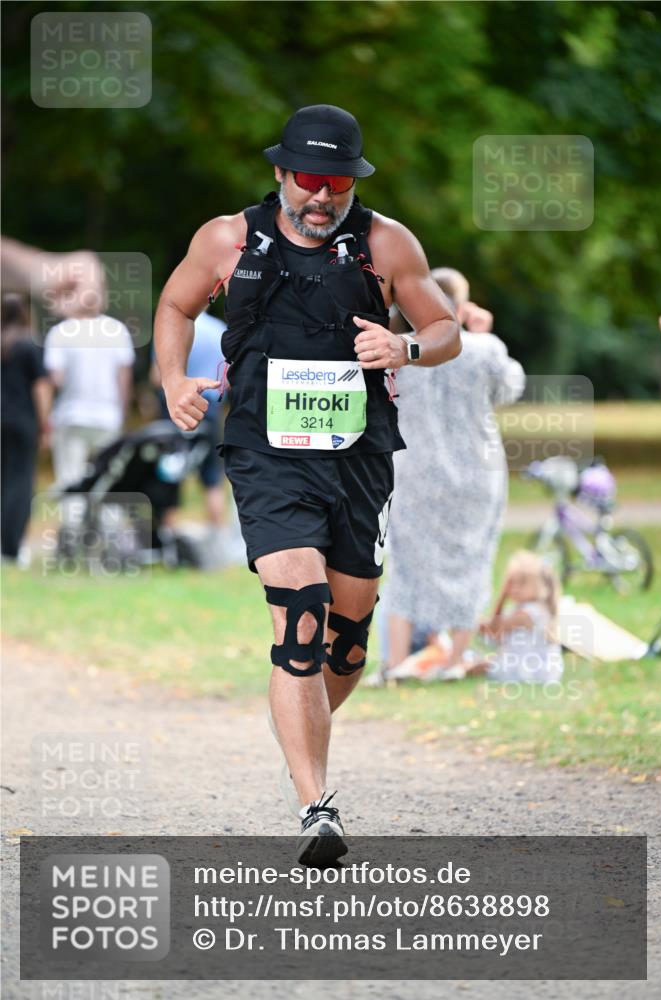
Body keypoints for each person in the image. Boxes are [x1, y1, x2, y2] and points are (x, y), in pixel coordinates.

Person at [153, 104, 461, 864]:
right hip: (264, 453)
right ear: (280, 174)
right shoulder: (228, 238)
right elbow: (174, 303)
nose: (321, 198)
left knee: (345, 644)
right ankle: (314, 804)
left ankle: (303, 722)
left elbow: (447, 329)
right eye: (307, 182)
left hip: (358, 459)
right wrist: (170, 378)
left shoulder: (386, 243)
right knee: (299, 614)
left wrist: (406, 343)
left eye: (337, 185)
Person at [382, 267, 525, 676]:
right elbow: (510, 388)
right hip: (476, 474)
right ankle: (455, 658)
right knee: (472, 559)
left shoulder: (399, 350)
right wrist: (481, 332)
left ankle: (395, 663)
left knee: (406, 563)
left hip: (413, 471)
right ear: (461, 306)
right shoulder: (483, 349)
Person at [44, 285, 135, 491]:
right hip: (108, 416)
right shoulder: (117, 330)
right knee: (108, 479)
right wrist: (123, 415)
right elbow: (124, 378)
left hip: (71, 415)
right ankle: (107, 522)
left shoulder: (60, 332)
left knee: (70, 478)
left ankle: (74, 522)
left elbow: (55, 379)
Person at [149, 309, 228, 532]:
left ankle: (169, 533)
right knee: (212, 475)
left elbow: (157, 377)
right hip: (210, 409)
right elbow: (229, 378)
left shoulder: (169, 331)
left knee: (170, 471)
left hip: (177, 410)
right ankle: (218, 534)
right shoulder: (219, 330)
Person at [451, 550, 563, 684]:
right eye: (511, 583)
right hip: (528, 664)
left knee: (475, 665)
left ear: (540, 586)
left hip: (530, 669)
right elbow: (493, 634)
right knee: (474, 657)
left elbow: (493, 629)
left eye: (522, 583)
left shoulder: (529, 613)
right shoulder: (526, 609)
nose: (514, 589)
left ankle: (451, 668)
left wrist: (502, 598)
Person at [1, 294, 52, 560]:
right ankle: (11, 547)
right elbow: (41, 387)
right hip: (22, 422)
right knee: (20, 482)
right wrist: (46, 423)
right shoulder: (29, 345)